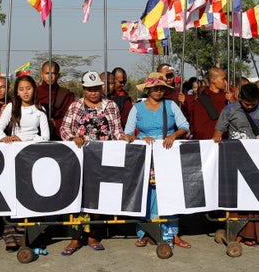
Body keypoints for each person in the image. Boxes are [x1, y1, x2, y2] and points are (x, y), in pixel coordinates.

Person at [59, 71, 125, 255]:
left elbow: (117, 130)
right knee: (77, 198)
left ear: (101, 88)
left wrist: (124, 137)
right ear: (84, 89)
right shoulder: (75, 106)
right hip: (80, 159)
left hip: (103, 159)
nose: (93, 93)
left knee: (96, 198)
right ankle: (75, 238)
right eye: (89, 89)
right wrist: (73, 138)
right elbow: (64, 129)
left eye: (96, 89)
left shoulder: (110, 105)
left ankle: (92, 235)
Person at [124, 72, 191, 249]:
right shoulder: (137, 108)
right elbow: (128, 133)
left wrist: (174, 135)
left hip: (168, 155)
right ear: (148, 89)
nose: (158, 91)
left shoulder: (171, 105)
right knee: (147, 193)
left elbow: (185, 126)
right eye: (155, 88)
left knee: (169, 192)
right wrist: (140, 140)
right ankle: (145, 232)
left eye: (161, 88)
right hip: (145, 157)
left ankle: (172, 233)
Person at [211, 83, 259, 246]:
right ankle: (236, 233)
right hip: (234, 160)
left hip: (257, 161)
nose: (251, 107)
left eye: (253, 104)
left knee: (255, 198)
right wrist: (217, 138)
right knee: (237, 199)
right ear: (239, 98)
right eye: (247, 104)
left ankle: (252, 235)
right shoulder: (229, 110)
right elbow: (218, 132)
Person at [0, 75, 50, 251]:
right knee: (13, 194)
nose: (25, 92)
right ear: (17, 92)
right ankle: (10, 234)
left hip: (32, 157)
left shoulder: (40, 110)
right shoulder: (11, 107)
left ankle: (30, 233)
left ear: (34, 89)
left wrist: (30, 140)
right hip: (12, 156)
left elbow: (46, 137)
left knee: (32, 195)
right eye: (21, 89)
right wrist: (6, 138)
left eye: (28, 88)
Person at [190, 67, 231, 140]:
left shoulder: (227, 98)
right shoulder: (201, 101)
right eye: (223, 79)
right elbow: (198, 126)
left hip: (225, 141)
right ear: (213, 80)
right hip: (207, 142)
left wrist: (233, 102)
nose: (226, 82)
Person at [36, 60, 74, 140]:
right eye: (47, 73)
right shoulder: (34, 93)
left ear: (58, 75)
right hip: (36, 133)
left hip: (58, 134)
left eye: (53, 73)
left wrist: (55, 122)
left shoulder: (65, 94)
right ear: (42, 75)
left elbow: (70, 117)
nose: (50, 77)